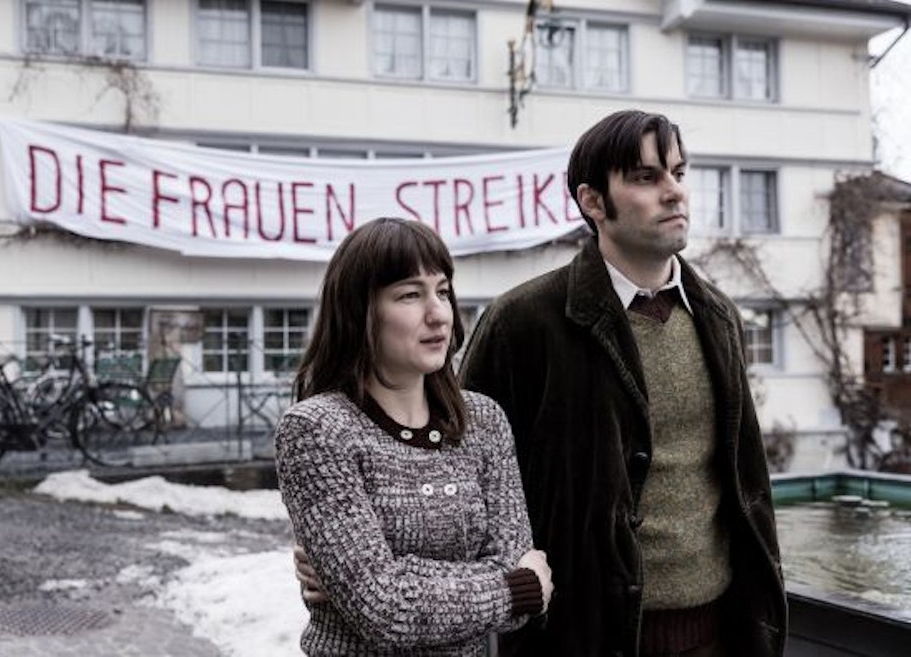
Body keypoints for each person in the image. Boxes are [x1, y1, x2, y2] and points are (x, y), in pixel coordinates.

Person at [459, 110, 787, 656]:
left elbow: (743, 477)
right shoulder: (524, 321)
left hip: (718, 633)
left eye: (678, 173)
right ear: (593, 202)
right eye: (645, 177)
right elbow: (457, 472)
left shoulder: (719, 317)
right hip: (580, 637)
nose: (673, 192)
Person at [275, 217, 554, 656]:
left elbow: (510, 572)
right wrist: (515, 589)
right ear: (359, 310)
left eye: (442, 291)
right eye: (410, 295)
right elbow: (384, 610)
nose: (438, 313)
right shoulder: (317, 430)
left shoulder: (483, 421)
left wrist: (381, 584)